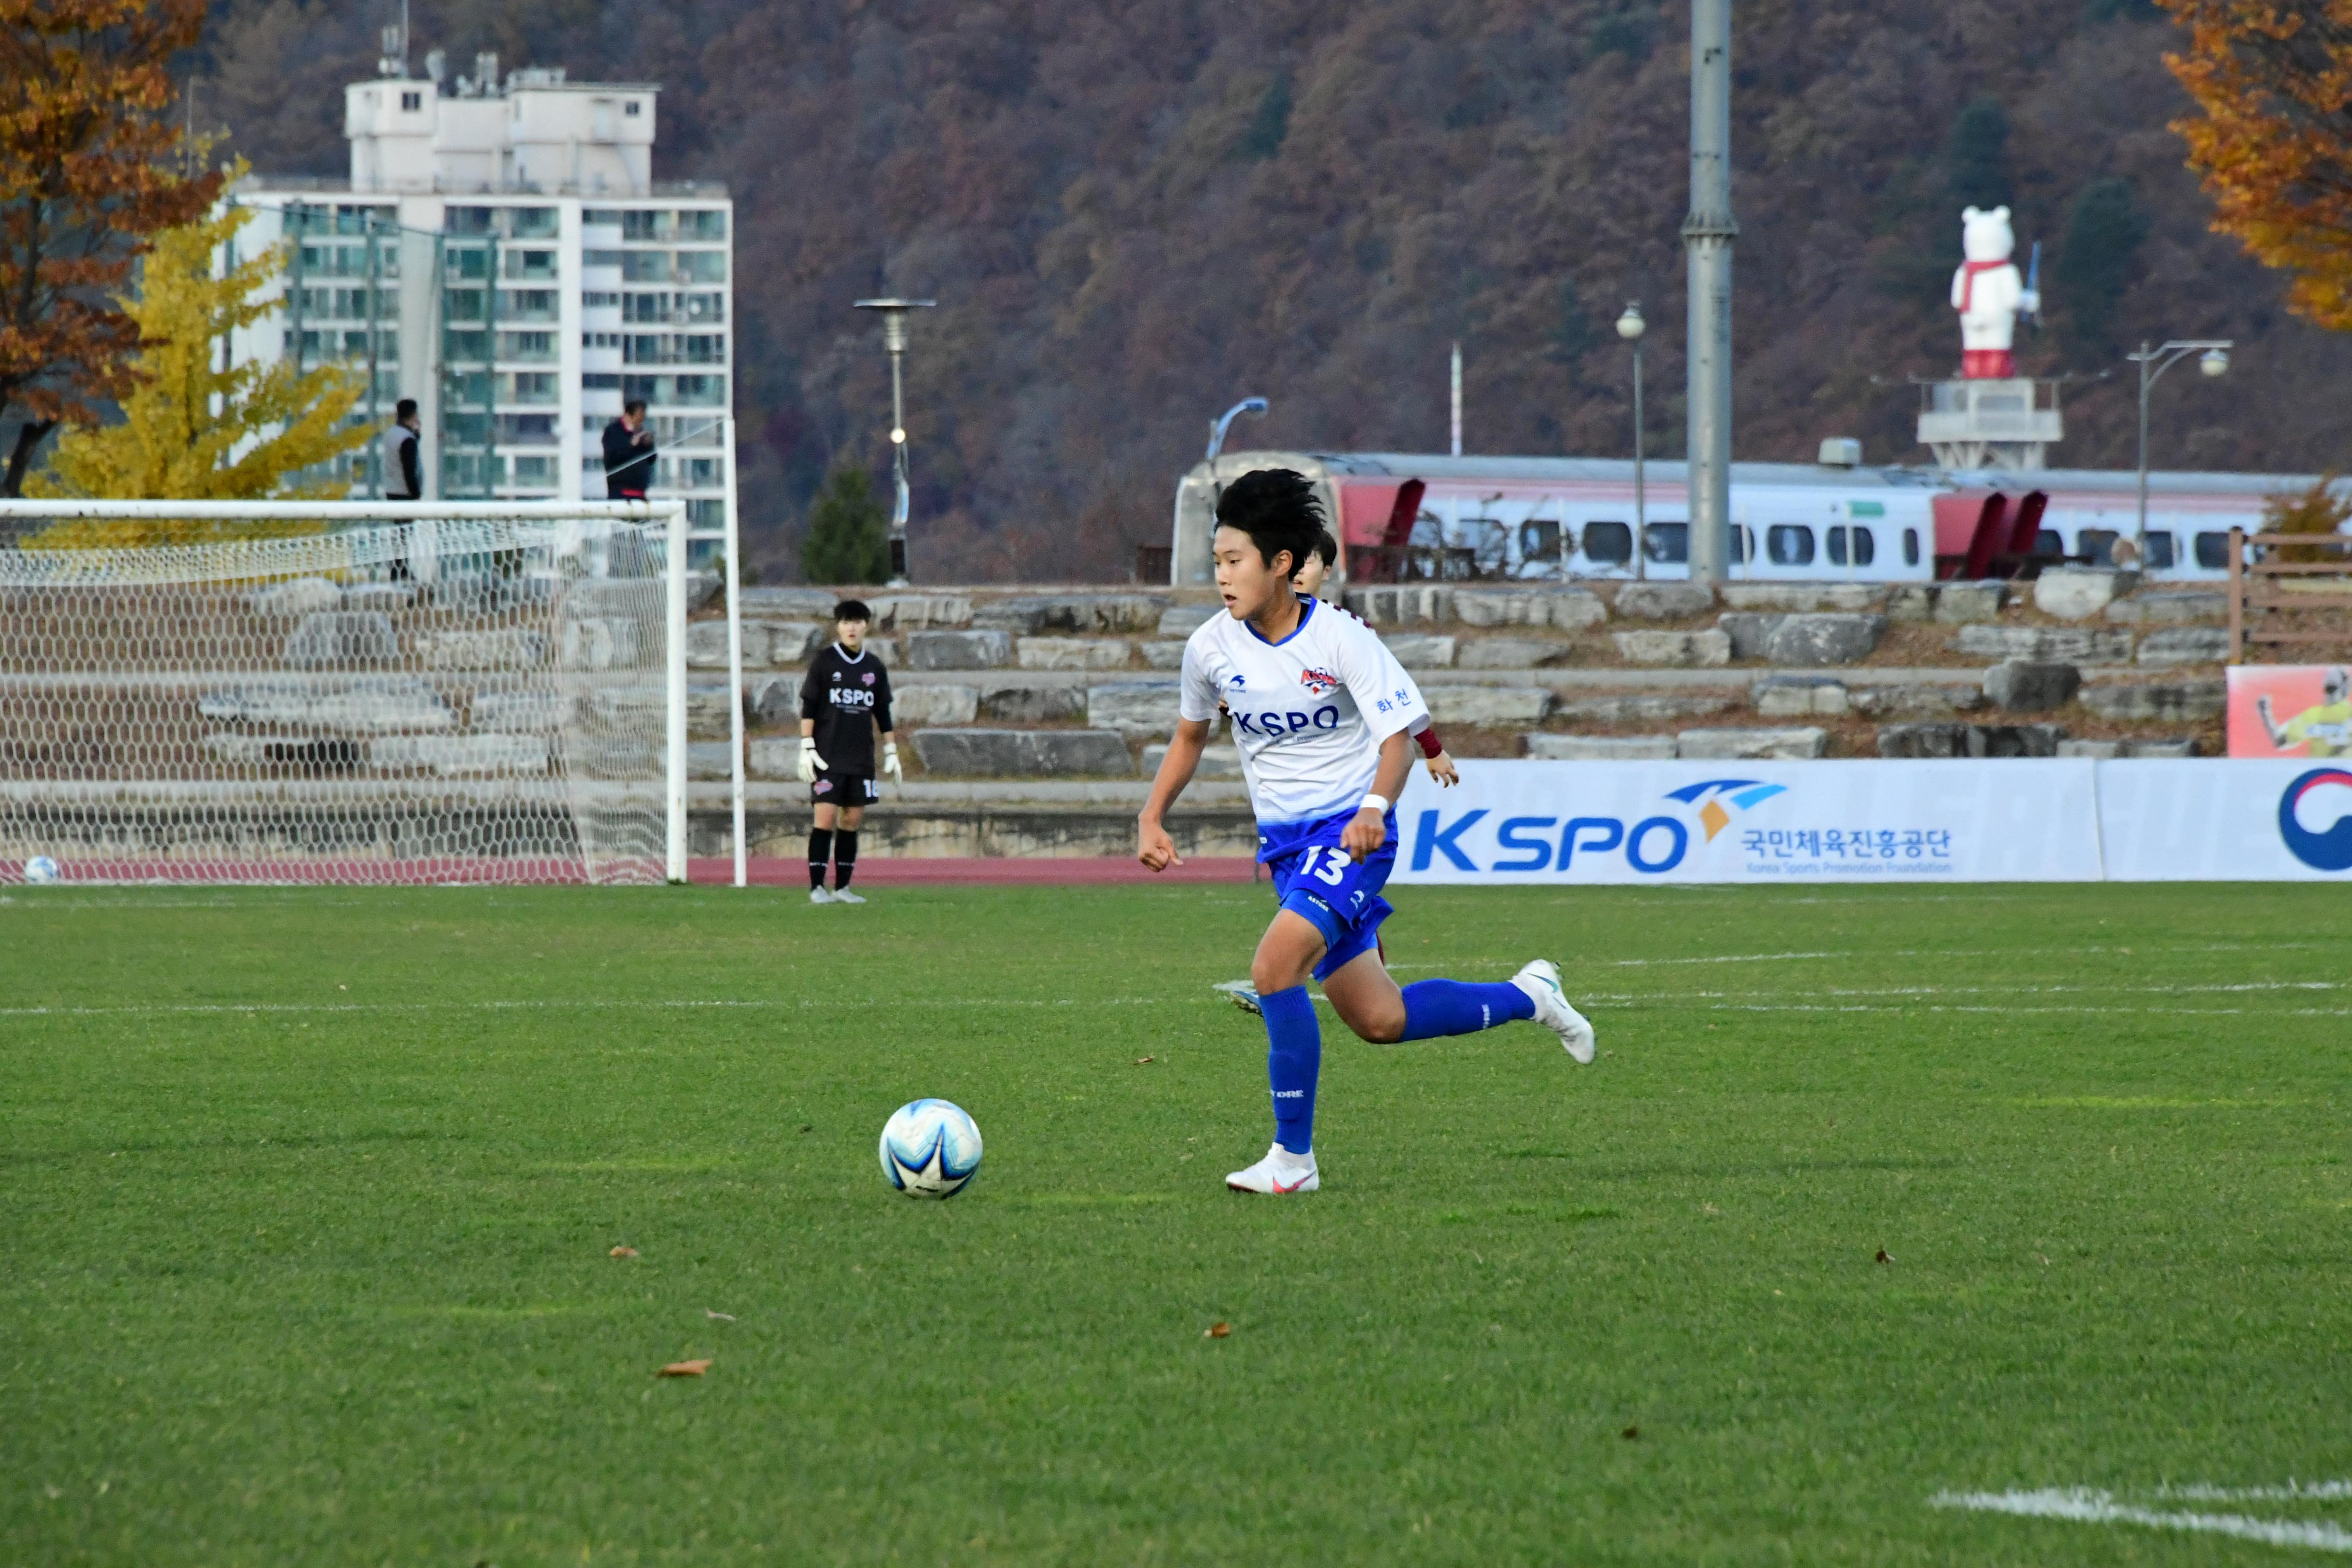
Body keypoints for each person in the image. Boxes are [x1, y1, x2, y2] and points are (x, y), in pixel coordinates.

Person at [1138, 469, 1596, 1196]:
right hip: (1289, 852)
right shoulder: (1208, 649)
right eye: (1215, 562)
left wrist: (1372, 810)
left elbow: (1397, 740)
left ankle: (1292, 1161)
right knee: (1379, 1019)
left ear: (1280, 562)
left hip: (1352, 838)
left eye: (1233, 561)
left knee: (1272, 969)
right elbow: (1190, 737)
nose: (1220, 577)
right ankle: (1530, 995)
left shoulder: (1341, 638)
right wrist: (1151, 813)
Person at [1214, 527, 1456, 1018]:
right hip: (1294, 810)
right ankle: (1353, 978)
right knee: (1375, 997)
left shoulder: (1346, 634)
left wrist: (1431, 749)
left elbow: (1399, 705)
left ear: (1326, 571)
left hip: (1353, 798)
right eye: (1293, 562)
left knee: (1317, 915)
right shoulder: (1248, 637)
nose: (1299, 572)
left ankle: (1281, 981)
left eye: (1309, 564)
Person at [798, 600, 903, 904]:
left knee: (851, 821)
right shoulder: (824, 662)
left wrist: (892, 750)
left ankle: (842, 887)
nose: (852, 628)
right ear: (838, 626)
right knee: (825, 818)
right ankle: (817, 887)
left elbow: (882, 712)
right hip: (828, 756)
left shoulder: (874, 667)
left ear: (866, 625)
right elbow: (809, 706)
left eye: (857, 622)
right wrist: (807, 746)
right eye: (846, 622)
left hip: (860, 758)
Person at [2257, 667, 2352, 758]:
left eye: (2332, 689)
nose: (2329, 694)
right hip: (2327, 772)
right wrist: (2265, 714)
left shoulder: (2315, 714)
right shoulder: (2314, 715)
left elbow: (2279, 742)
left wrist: (2265, 713)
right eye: (2327, 689)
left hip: (2325, 772)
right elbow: (2280, 741)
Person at [381, 399, 421, 580]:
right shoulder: (407, 439)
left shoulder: (392, 434)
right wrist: (416, 493)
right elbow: (409, 468)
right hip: (404, 493)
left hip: (392, 490)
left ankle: (399, 570)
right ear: (413, 415)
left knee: (399, 535)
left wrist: (416, 436)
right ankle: (401, 572)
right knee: (404, 536)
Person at [602, 400, 655, 500]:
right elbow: (612, 459)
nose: (639, 424)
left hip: (640, 492)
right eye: (637, 419)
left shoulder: (641, 432)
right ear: (628, 416)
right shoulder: (613, 432)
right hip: (620, 492)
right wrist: (631, 445)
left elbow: (652, 460)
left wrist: (649, 445)